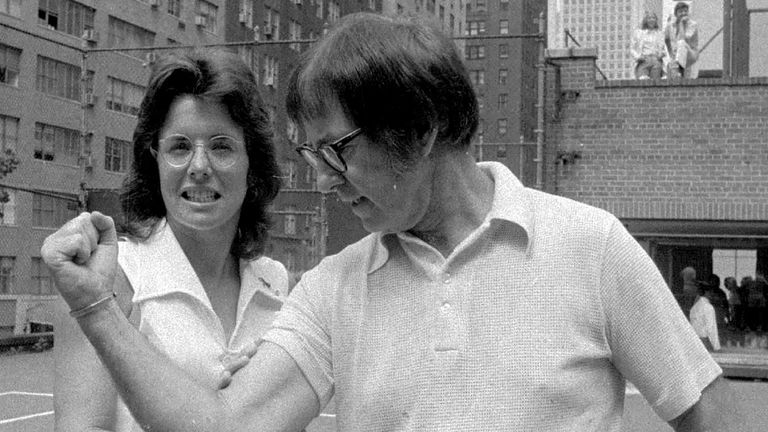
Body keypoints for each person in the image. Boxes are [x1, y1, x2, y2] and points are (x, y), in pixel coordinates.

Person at [43, 13, 741, 432]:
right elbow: (225, 426)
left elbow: (707, 414)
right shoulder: (330, 291)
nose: (321, 179)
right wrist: (100, 309)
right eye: (310, 155)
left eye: (338, 151)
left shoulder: (591, 248)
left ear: (421, 125)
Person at [51, 50, 288, 431]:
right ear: (155, 158)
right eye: (179, 146)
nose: (198, 167)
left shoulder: (274, 283)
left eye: (221, 146)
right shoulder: (105, 280)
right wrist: (198, 410)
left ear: (252, 162)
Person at [664, 2, 699, 79]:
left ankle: (677, 66)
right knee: (672, 69)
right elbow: (666, 39)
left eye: (685, 11)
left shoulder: (692, 24)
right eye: (681, 11)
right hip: (676, 56)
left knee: (681, 43)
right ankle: (677, 68)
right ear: (676, 14)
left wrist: (681, 24)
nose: (684, 13)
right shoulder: (671, 25)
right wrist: (671, 55)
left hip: (690, 54)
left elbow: (683, 40)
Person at [630, 11, 666, 80]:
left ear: (656, 20)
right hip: (644, 60)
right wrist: (638, 57)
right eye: (649, 18)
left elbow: (664, 49)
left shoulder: (660, 34)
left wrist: (661, 54)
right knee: (642, 80)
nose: (652, 20)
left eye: (653, 18)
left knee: (655, 83)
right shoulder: (639, 33)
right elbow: (632, 49)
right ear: (646, 20)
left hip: (656, 60)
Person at [690, 284, 721, 351]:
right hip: (704, 342)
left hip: (694, 341)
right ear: (707, 292)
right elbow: (711, 329)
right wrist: (716, 347)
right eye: (712, 292)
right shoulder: (708, 307)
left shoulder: (694, 307)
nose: (713, 294)